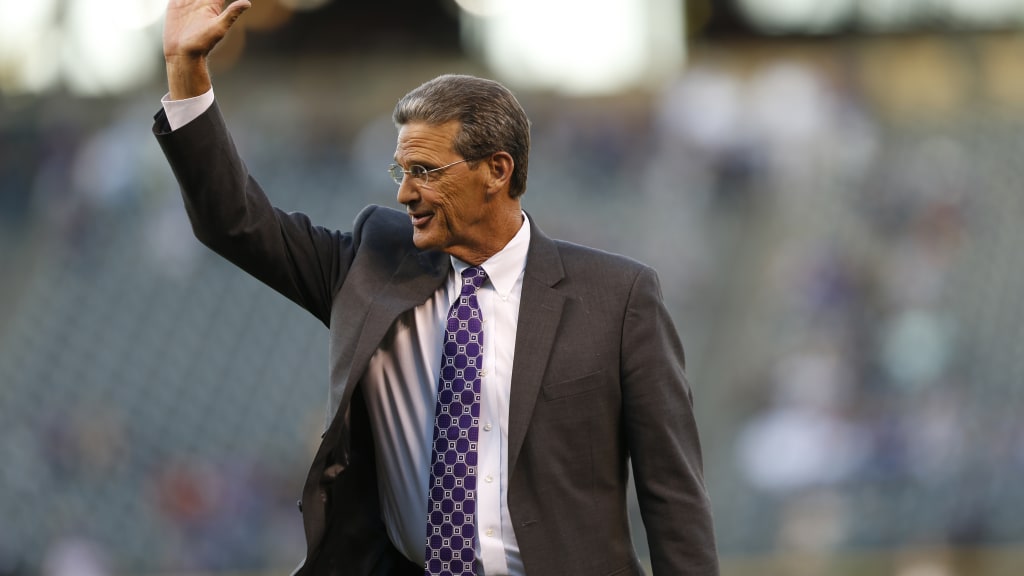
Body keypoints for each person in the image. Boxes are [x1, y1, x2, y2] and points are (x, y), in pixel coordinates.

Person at [153, 1, 719, 575]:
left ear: (497, 171)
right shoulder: (371, 264)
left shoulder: (617, 297)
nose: (405, 193)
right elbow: (235, 223)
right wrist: (186, 70)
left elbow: (672, 494)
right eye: (402, 171)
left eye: (425, 171)